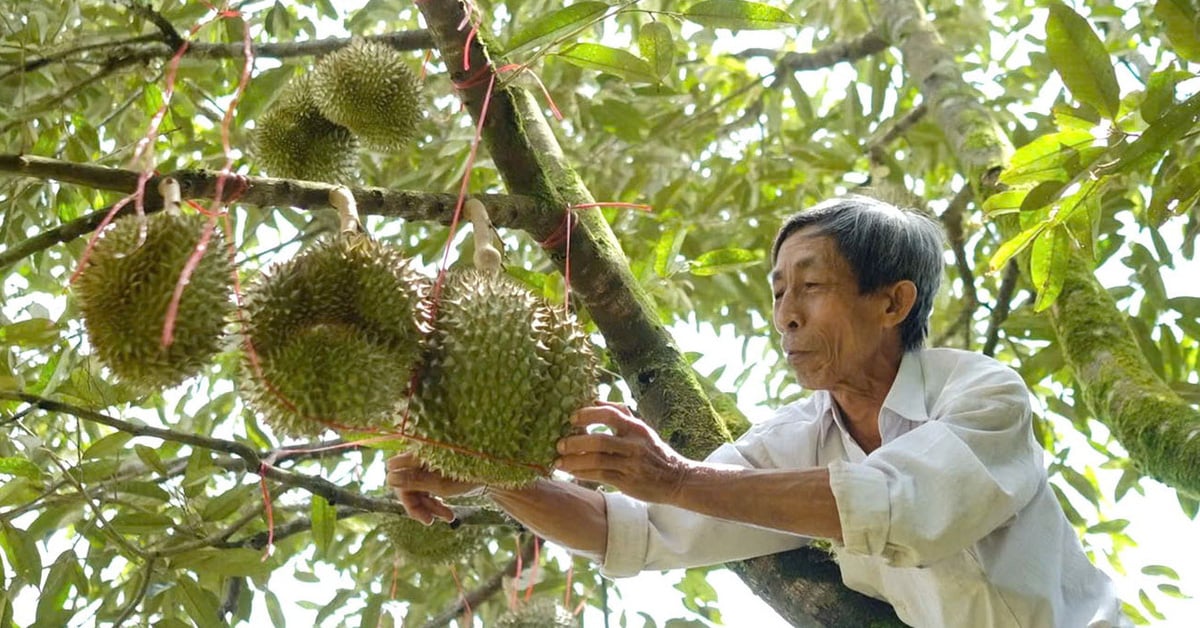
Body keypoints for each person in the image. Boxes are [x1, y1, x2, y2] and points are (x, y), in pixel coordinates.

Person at [388, 195, 1128, 627]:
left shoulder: (982, 394)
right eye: (776, 292)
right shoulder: (797, 439)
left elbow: (902, 502)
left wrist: (676, 477)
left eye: (810, 286)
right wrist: (484, 467)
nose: (786, 315)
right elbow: (631, 532)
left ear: (893, 301)